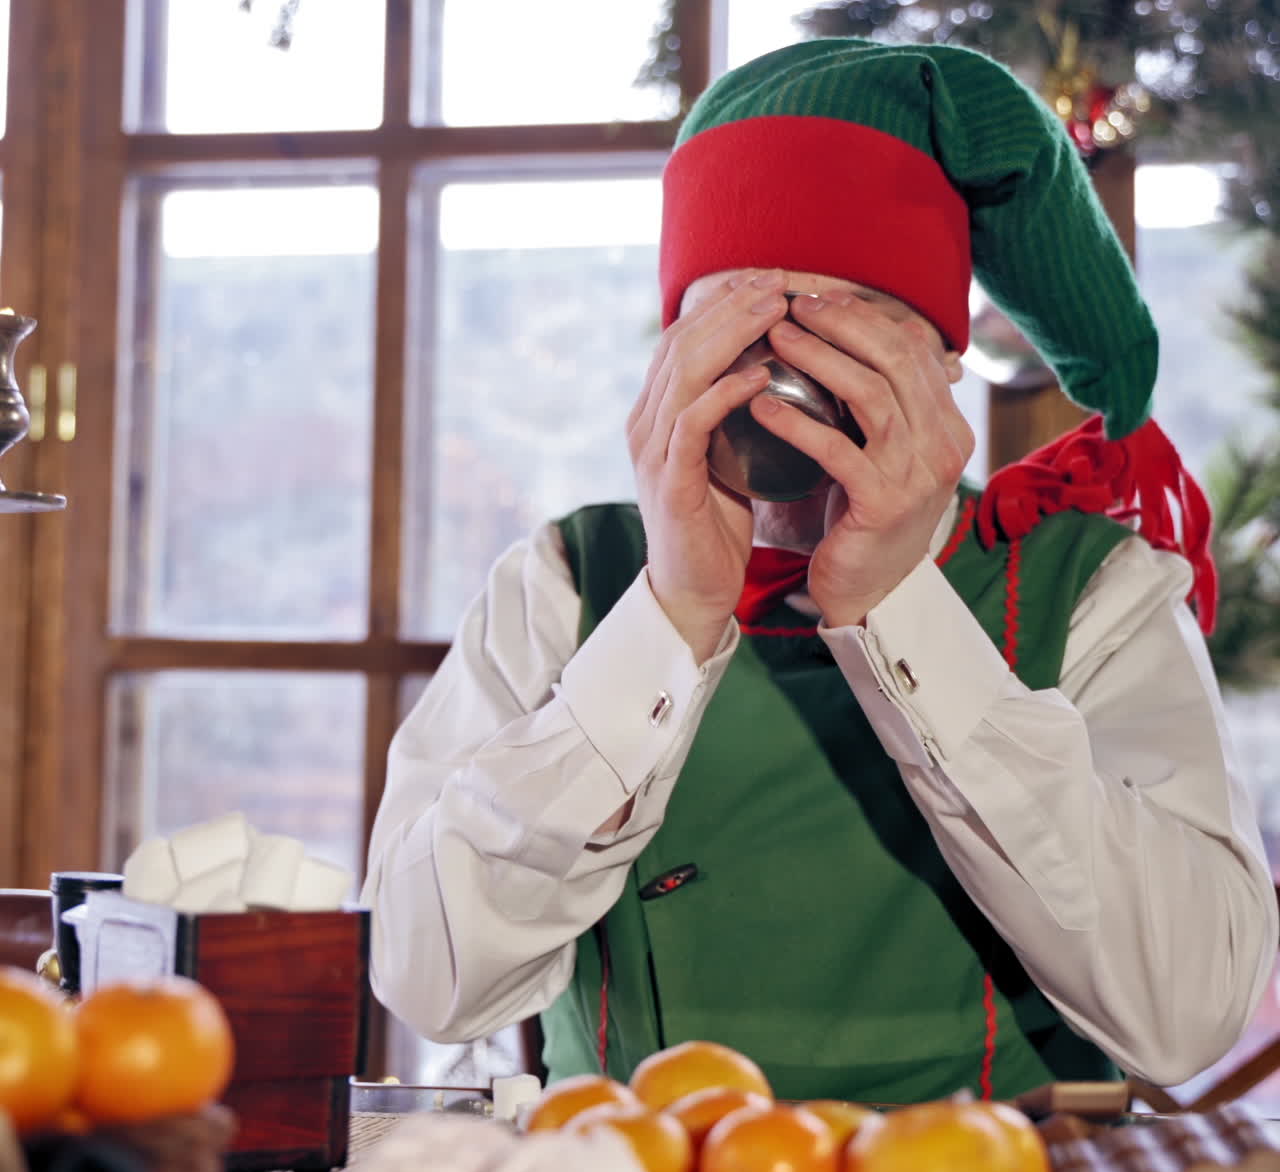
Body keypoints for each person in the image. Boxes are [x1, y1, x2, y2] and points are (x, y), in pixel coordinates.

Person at [361, 38, 1279, 1104]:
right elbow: (428, 980)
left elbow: (1189, 1012)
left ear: (939, 359)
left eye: (842, 323)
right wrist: (666, 618)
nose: (788, 376)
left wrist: (898, 610)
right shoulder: (567, 581)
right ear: (671, 352)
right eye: (743, 321)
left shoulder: (1092, 590)